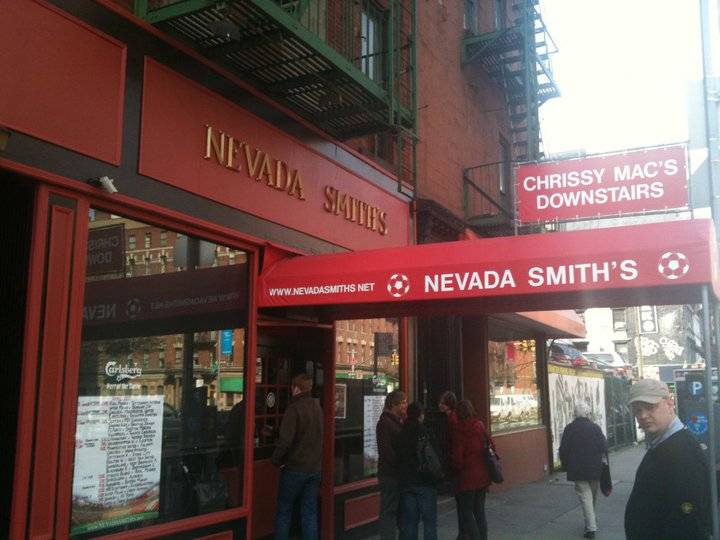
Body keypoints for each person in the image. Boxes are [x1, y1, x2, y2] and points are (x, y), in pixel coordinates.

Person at [624, 378, 711, 540]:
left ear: (670, 404)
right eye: (637, 410)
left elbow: (688, 522)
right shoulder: (665, 444)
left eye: (650, 407)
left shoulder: (681, 452)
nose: (643, 415)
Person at [271, 373, 323, 540]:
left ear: (296, 388)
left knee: (284, 510)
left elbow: (285, 440)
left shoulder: (294, 408)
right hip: (314, 468)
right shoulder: (318, 407)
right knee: (309, 511)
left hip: (295, 468)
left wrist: (276, 459)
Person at [558, 401, 608, 539]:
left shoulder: (569, 428)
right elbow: (604, 447)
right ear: (587, 413)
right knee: (592, 496)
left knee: (586, 497)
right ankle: (592, 522)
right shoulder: (595, 427)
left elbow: (563, 450)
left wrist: (565, 465)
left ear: (575, 414)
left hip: (577, 469)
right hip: (595, 468)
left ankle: (591, 527)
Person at [396, 402, 439, 540]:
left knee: (410, 522)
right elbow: (433, 456)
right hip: (425, 481)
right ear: (420, 415)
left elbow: (398, 456)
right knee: (429, 523)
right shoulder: (424, 432)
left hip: (407, 481)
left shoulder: (401, 433)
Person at [451, 399, 492, 540]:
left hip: (467, 477)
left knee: (466, 511)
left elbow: (458, 458)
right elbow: (491, 446)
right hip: (482, 475)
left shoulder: (458, 430)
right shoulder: (479, 425)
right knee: (479, 511)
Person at [377, 390, 407, 540]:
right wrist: (400, 464)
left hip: (398, 474)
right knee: (389, 511)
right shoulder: (385, 423)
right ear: (393, 404)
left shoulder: (398, 421)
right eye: (403, 402)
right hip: (390, 475)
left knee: (400, 511)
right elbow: (386, 451)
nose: (405, 405)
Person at [437, 391, 463, 539]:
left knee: (461, 502)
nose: (439, 405)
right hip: (454, 464)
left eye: (442, 402)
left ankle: (464, 533)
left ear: (448, 404)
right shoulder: (450, 418)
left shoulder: (452, 420)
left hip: (455, 466)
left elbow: (453, 443)